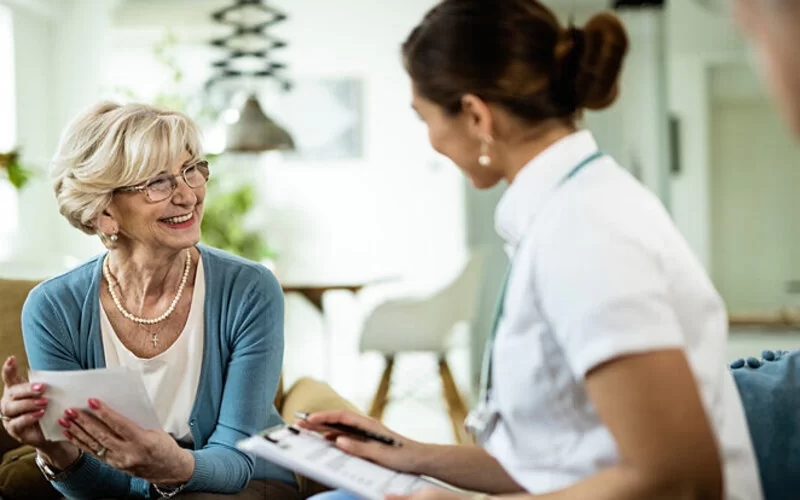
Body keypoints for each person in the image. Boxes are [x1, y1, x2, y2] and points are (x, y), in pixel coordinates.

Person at [300, 1, 763, 499]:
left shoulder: (586, 231)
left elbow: (678, 479)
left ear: (476, 115)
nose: (430, 140)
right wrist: (409, 452)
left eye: (425, 118)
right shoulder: (567, 212)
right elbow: (562, 466)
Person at [0, 102, 301, 499]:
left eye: (192, 169)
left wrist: (170, 464)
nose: (189, 194)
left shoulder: (250, 289)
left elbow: (236, 463)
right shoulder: (53, 308)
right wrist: (55, 450)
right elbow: (99, 491)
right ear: (105, 211)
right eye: (159, 182)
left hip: (246, 483)